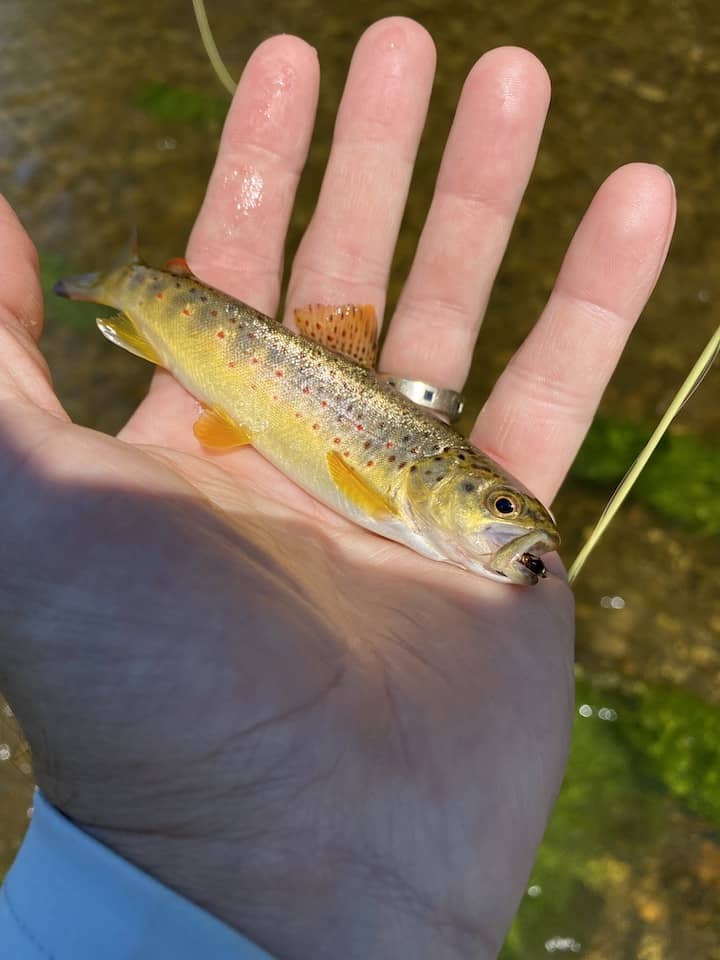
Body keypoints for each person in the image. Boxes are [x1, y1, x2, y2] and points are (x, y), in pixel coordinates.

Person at [0, 17, 675, 960]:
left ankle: (130, 285)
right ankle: (126, 284)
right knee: (144, 299)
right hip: (218, 337)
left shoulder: (423, 494)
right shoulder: (398, 476)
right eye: (502, 508)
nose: (519, 533)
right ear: (447, 477)